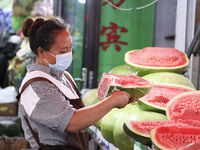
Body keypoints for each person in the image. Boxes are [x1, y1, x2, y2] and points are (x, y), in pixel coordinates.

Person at [17, 16, 130, 150]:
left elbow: (82, 114)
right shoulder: (35, 87)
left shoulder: (65, 77)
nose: (68, 54)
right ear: (41, 52)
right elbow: (72, 122)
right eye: (63, 51)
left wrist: (113, 97)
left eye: (70, 49)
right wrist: (112, 101)